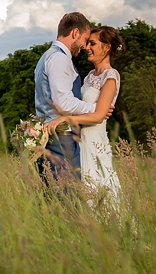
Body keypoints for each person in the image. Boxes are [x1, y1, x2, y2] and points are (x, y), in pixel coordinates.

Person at [48, 25, 125, 211]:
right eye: (87, 43)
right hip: (80, 141)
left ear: (106, 48)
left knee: (99, 191)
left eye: (92, 43)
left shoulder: (111, 76)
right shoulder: (90, 76)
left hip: (95, 142)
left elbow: (99, 116)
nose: (86, 47)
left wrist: (64, 120)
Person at [34, 12, 110, 181]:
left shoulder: (47, 56)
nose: (84, 46)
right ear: (75, 33)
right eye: (85, 39)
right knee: (68, 199)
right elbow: (64, 104)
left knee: (55, 198)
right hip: (62, 141)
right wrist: (96, 109)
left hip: (53, 139)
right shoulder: (59, 59)